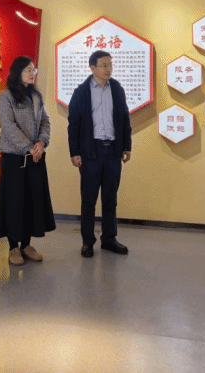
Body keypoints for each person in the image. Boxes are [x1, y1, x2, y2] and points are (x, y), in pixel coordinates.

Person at [67, 50, 132, 258]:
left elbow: (124, 119)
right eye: (104, 65)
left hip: (112, 151)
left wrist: (127, 146)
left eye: (110, 65)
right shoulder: (81, 92)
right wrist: (74, 152)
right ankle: (87, 241)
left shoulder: (117, 89)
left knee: (110, 198)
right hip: (90, 152)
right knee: (89, 199)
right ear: (93, 68)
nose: (108, 69)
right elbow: (73, 125)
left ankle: (109, 239)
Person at [0, 57, 55, 266]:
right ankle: (13, 246)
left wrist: (42, 142)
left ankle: (26, 245)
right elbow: (8, 125)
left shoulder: (36, 95)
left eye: (33, 69)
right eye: (28, 70)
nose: (32, 73)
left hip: (36, 157)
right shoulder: (6, 95)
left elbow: (45, 121)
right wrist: (29, 146)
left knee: (32, 201)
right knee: (14, 202)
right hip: (14, 158)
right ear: (18, 72)